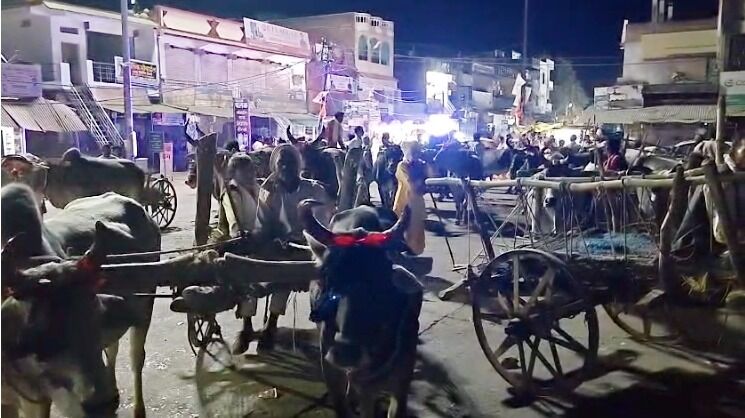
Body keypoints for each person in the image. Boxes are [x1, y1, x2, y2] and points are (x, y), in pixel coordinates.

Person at [232, 144, 333, 353]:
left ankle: (271, 324)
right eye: (282, 163)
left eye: (291, 162)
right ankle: (246, 326)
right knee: (249, 269)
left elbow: (322, 227)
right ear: (275, 167)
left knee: (283, 274)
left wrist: (303, 241)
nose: (286, 167)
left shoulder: (314, 190)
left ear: (299, 165)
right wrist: (258, 238)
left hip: (308, 249)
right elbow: (263, 223)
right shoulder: (269, 190)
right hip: (278, 245)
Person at [392, 139, 427, 255]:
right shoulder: (402, 166)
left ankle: (414, 253)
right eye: (414, 152)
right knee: (403, 230)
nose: (417, 154)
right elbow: (409, 183)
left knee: (417, 231)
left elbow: (429, 177)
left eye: (418, 152)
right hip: (405, 201)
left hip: (417, 202)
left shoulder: (420, 165)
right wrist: (420, 183)